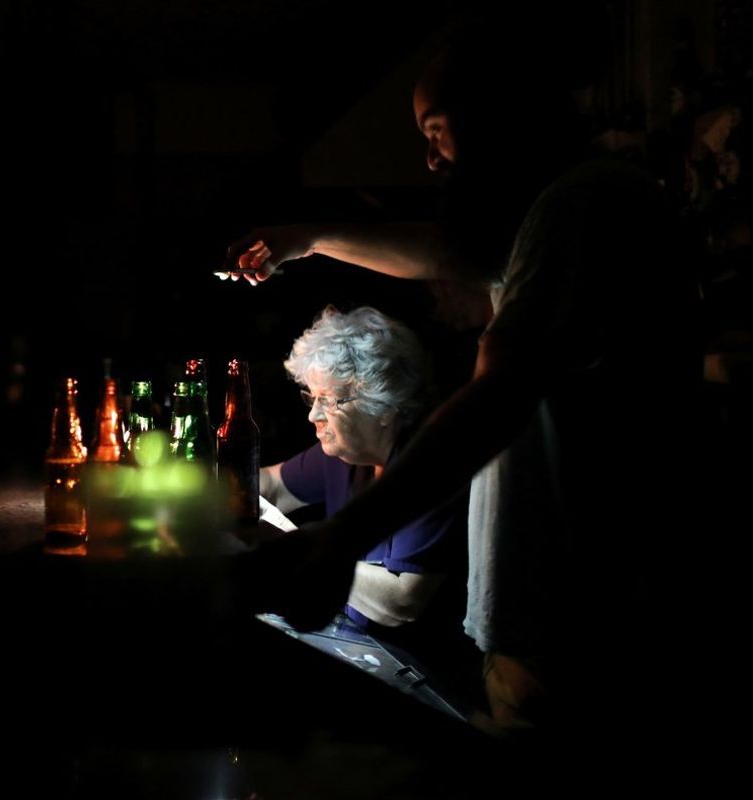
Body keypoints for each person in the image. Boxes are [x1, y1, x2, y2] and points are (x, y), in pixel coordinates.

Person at [222, 21, 701, 747]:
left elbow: (498, 393)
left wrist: (343, 537)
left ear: (502, 117)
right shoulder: (557, 210)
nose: (430, 156)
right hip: (546, 629)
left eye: (438, 129)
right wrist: (307, 238)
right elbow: (441, 251)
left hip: (576, 630)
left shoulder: (585, 204)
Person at [260, 305, 465, 635]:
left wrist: (290, 547)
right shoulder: (344, 454)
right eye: (311, 398)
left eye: (329, 401)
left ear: (384, 404)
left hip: (422, 668)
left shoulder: (430, 463)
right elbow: (270, 485)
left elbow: (401, 600)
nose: (313, 416)